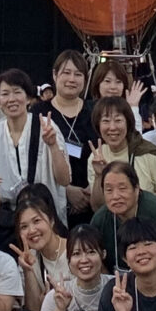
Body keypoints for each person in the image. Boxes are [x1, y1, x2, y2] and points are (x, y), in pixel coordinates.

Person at [0, 68, 70, 231]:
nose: (11, 99)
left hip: (45, 217)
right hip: (9, 220)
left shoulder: (46, 127)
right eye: (5, 94)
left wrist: (53, 146)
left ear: (28, 97)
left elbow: (64, 180)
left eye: (17, 92)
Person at [87, 162, 156, 271]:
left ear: (136, 189)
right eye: (109, 190)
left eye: (122, 188)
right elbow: (94, 260)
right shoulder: (100, 219)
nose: (115, 196)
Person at [44, 49, 96, 219]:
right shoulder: (40, 113)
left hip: (94, 198)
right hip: (54, 201)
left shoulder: (95, 111)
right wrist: (66, 190)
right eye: (66, 73)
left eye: (78, 74)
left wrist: (95, 187)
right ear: (54, 75)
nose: (72, 79)